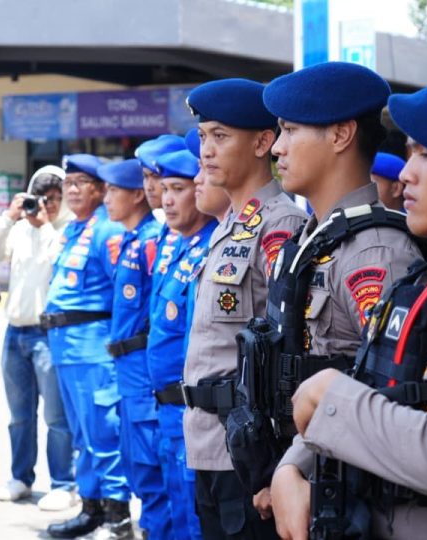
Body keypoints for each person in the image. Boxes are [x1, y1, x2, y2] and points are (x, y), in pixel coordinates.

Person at [222, 60, 427, 520]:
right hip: (298, 476)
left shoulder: (374, 251)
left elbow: (384, 388)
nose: (277, 147)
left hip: (337, 489)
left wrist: (295, 468)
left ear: (340, 135)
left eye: (290, 130)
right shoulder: (311, 240)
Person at [271, 70, 427, 540]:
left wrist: (328, 395)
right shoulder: (426, 282)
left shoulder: (391, 255)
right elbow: (374, 378)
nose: (405, 174)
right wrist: (292, 466)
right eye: (410, 153)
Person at [180, 78, 307, 540]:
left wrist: (277, 464)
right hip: (210, 444)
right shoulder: (230, 225)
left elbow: (290, 349)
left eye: (221, 136)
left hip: (251, 455)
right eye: (203, 136)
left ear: (262, 142)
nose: (206, 150)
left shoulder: (281, 224)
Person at [0, 165, 78, 511]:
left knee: (56, 417)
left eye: (54, 199)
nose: (46, 206)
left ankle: (64, 483)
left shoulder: (68, 230)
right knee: (19, 415)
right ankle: (20, 477)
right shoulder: (21, 229)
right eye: (40, 199)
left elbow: (57, 262)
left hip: (48, 334)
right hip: (15, 332)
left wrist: (45, 226)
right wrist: (9, 217)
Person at [42, 154, 129, 539]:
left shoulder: (107, 229)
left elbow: (124, 292)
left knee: (102, 433)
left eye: (81, 183)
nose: (72, 190)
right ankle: (91, 508)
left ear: (99, 189)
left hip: (92, 348)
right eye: (69, 183)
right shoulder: (74, 228)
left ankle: (117, 516)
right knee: (81, 435)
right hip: (66, 348)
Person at [138, 139, 219, 540]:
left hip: (193, 410)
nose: (166, 200)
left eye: (178, 189)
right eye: (164, 189)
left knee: (194, 520)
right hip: (168, 409)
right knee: (175, 513)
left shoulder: (212, 247)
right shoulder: (184, 247)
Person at [100, 158, 164, 540]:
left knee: (149, 462)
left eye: (113, 190)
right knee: (133, 460)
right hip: (125, 365)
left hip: (142, 365)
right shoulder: (128, 239)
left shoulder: (152, 240)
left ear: (137, 195)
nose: (106, 198)